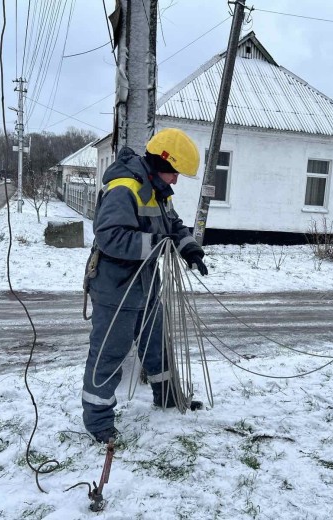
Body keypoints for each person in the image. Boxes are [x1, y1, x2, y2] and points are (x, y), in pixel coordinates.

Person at [82, 128, 209, 444]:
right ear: (157, 161)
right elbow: (109, 236)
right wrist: (155, 243)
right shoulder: (125, 188)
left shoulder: (156, 189)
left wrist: (188, 248)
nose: (176, 180)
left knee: (156, 343)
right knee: (109, 354)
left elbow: (173, 226)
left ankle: (167, 397)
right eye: (174, 172)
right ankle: (99, 423)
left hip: (147, 283)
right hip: (116, 287)